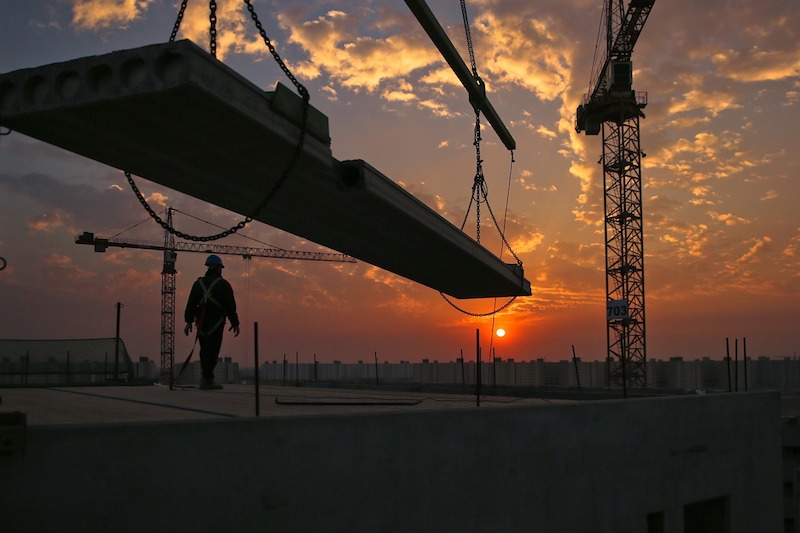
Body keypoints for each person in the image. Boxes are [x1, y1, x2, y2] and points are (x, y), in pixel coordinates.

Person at [184, 255, 240, 390]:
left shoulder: (198, 284)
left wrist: (189, 322)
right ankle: (208, 379)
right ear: (219, 268)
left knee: (204, 351)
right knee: (213, 351)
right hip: (216, 323)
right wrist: (235, 323)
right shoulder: (223, 284)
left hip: (202, 324)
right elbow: (230, 306)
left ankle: (206, 378)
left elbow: (190, 304)